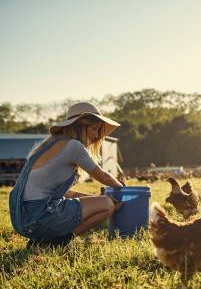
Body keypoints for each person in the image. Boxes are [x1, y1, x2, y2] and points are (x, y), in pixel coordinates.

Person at [9, 102, 124, 246]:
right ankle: (58, 241)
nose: (96, 136)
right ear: (81, 126)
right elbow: (103, 176)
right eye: (94, 129)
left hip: (21, 219)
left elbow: (63, 193)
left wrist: (95, 199)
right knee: (107, 205)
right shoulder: (73, 146)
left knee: (102, 202)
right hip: (39, 215)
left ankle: (43, 240)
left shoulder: (48, 146)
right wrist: (122, 188)